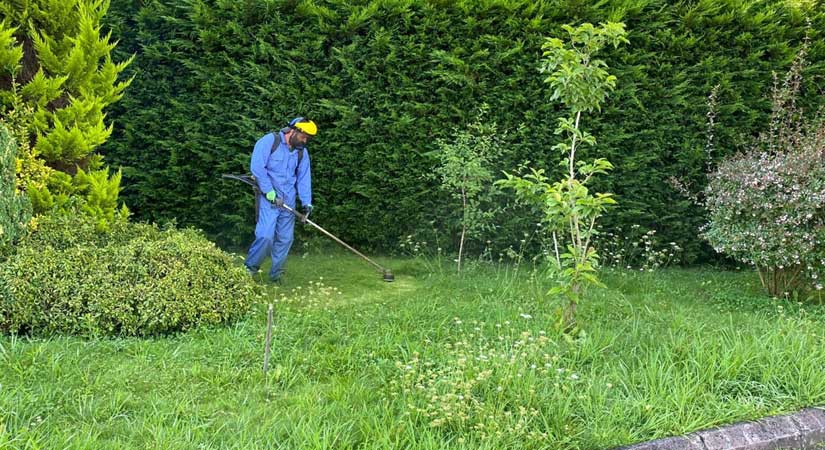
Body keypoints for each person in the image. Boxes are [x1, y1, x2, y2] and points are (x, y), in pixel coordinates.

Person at [244, 117, 317, 281]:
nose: (305, 141)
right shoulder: (270, 141)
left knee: (285, 239)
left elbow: (304, 178)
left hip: (288, 202)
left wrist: (306, 203)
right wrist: (269, 192)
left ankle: (277, 274)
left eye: (308, 139)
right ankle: (250, 269)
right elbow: (257, 167)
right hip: (269, 200)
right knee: (265, 236)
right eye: (303, 137)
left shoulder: (301, 152)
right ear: (293, 131)